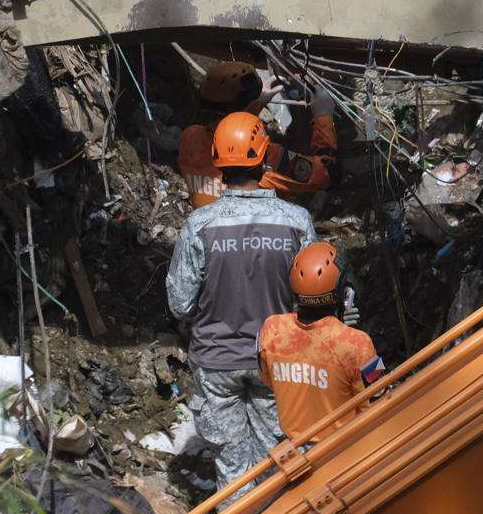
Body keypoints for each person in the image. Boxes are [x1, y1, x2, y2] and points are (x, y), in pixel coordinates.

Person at [165, 111, 316, 491]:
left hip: (216, 363)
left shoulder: (199, 225)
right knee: (279, 459)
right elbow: (314, 296)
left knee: (232, 470)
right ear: (264, 158)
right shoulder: (297, 222)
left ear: (217, 161)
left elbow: (180, 304)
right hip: (278, 361)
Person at [258, 242, 384, 443]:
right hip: (341, 450)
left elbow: (268, 379)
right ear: (341, 291)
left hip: (294, 450)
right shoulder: (358, 343)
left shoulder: (271, 329)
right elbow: (378, 398)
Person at [177, 62, 336, 209]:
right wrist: (323, 116)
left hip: (208, 231)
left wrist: (256, 104)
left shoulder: (190, 137)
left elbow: (225, 128)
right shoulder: (265, 156)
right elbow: (326, 173)